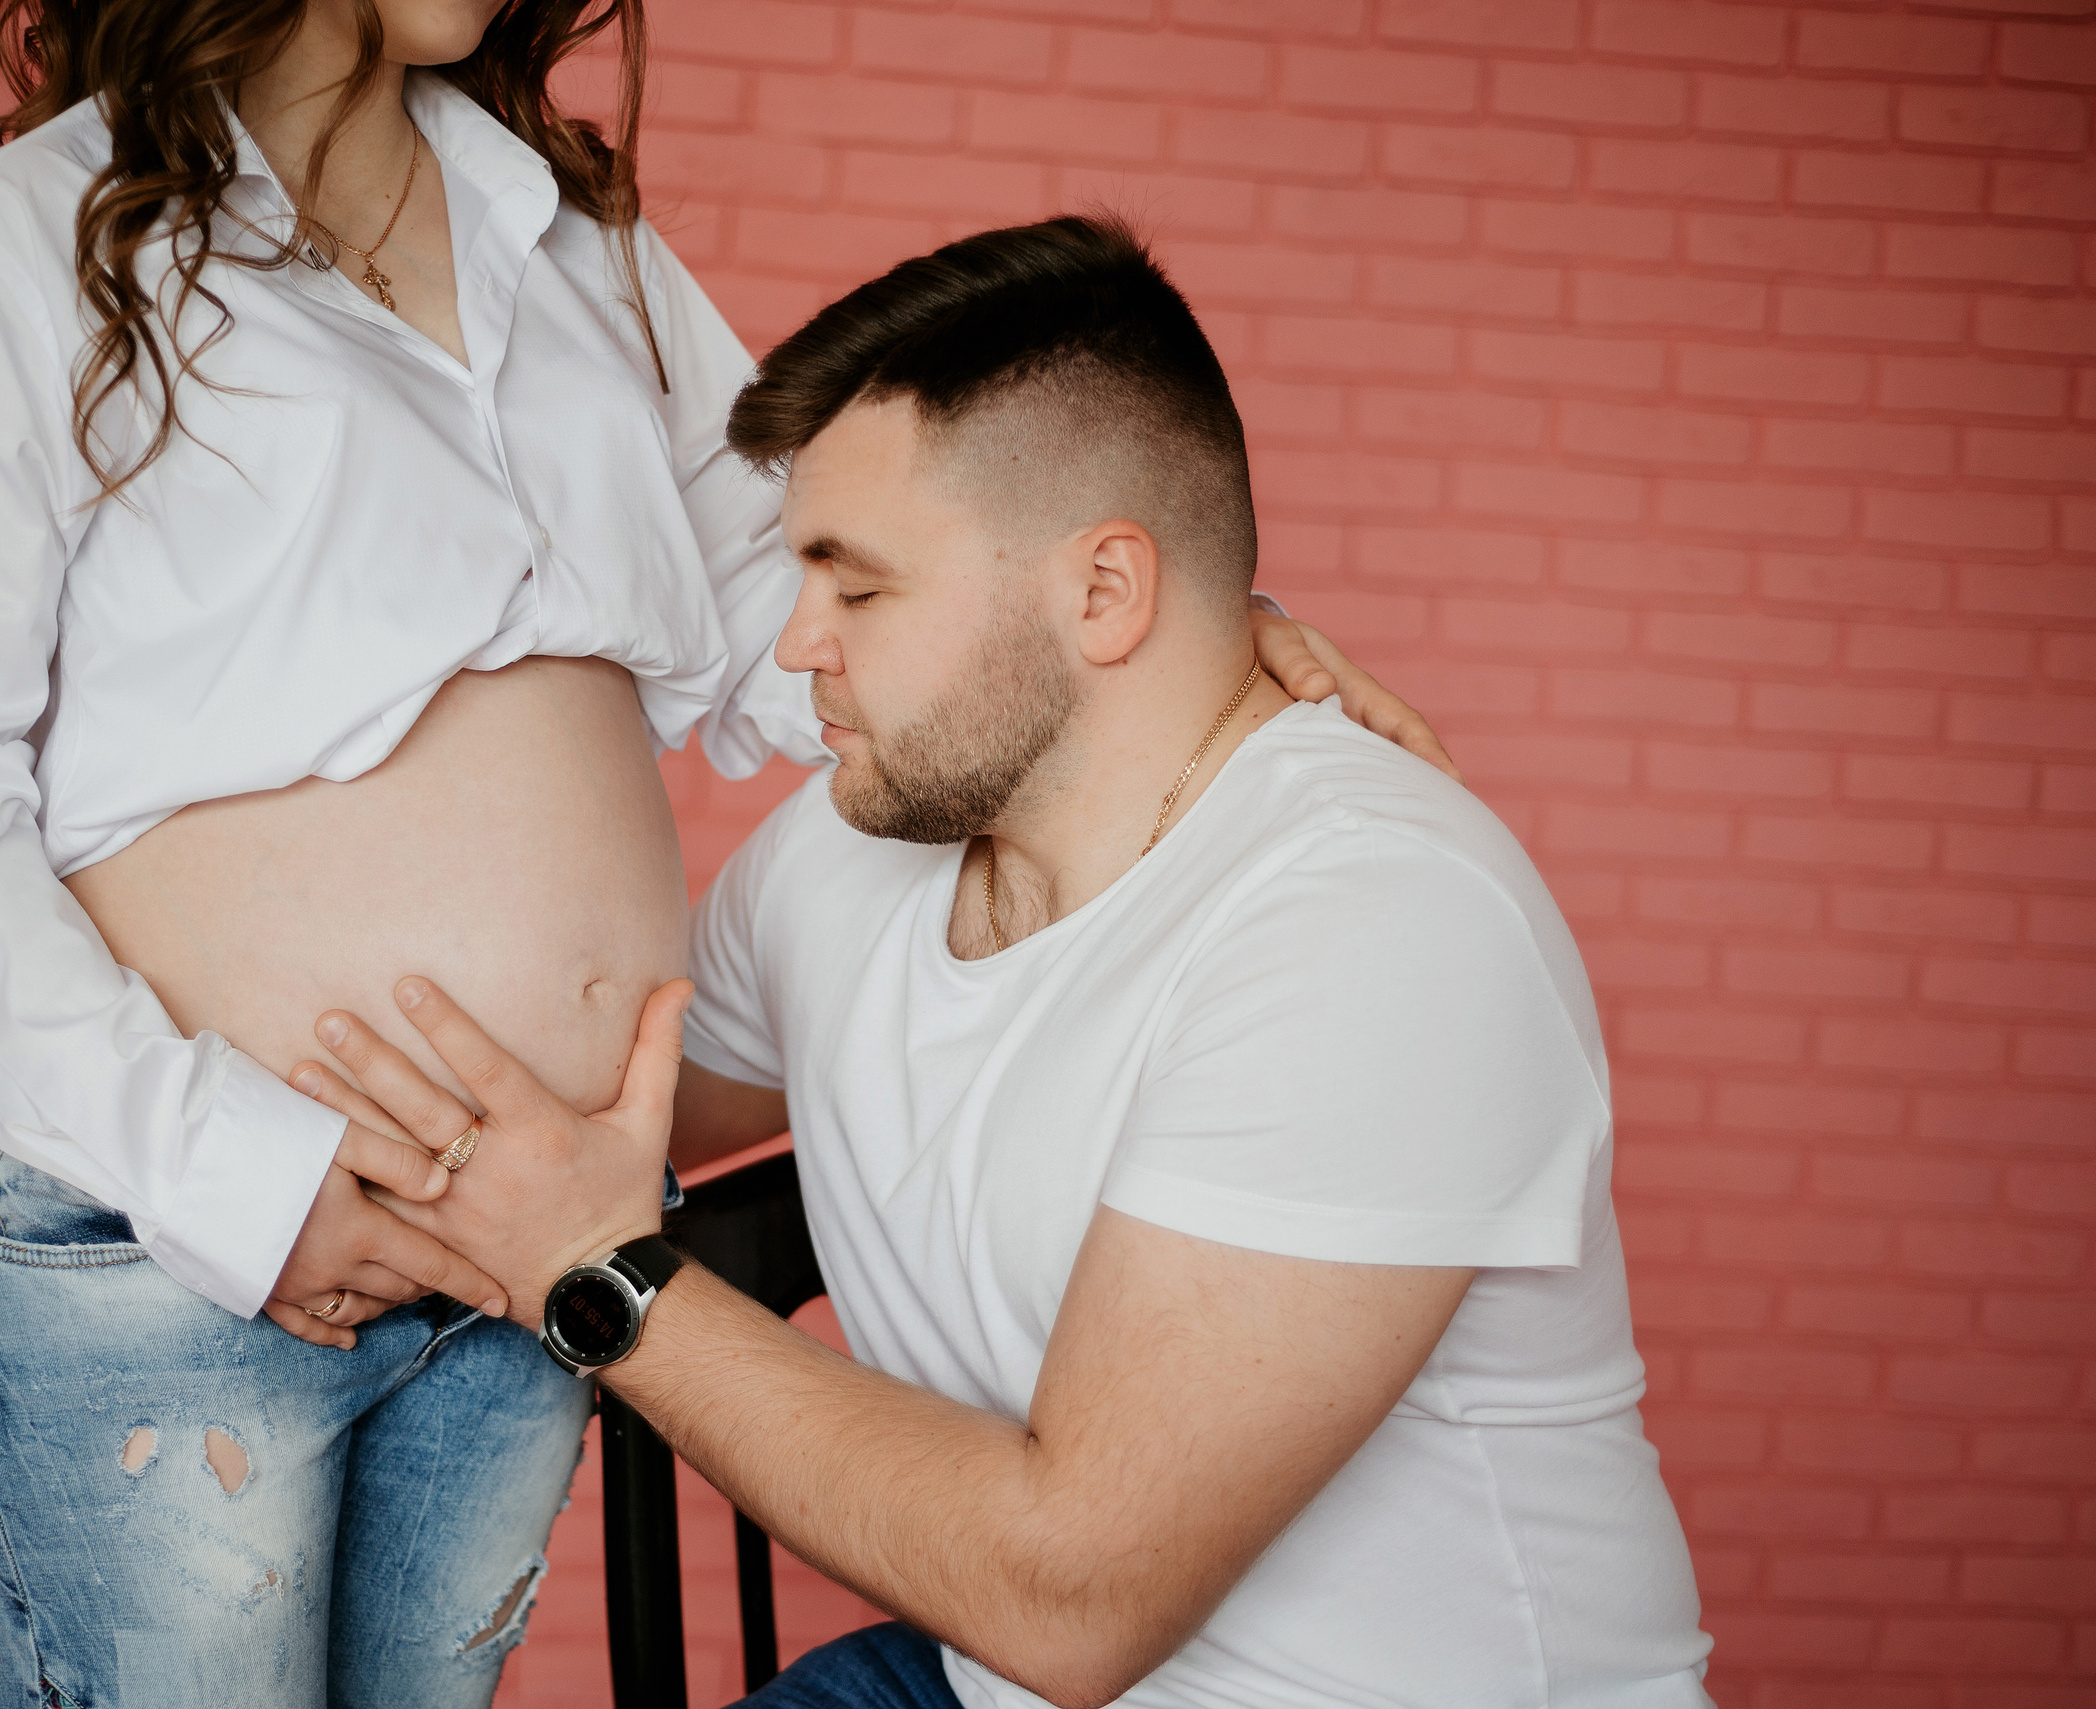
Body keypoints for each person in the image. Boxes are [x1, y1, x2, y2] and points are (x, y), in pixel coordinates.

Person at [0, 2, 1442, 1703]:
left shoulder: (574, 246)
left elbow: (808, 615)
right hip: (201, 1243)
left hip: (530, 1241)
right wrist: (215, 1170)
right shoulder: (5, 263)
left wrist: (1158, 654)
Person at [299, 216, 1715, 1709]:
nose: (793, 647)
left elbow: (1074, 1597)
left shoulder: (1377, 925)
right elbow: (587, 1107)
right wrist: (248, 1162)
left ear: (1104, 591)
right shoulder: (843, 857)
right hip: (978, 1678)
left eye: (859, 588)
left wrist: (605, 1277)